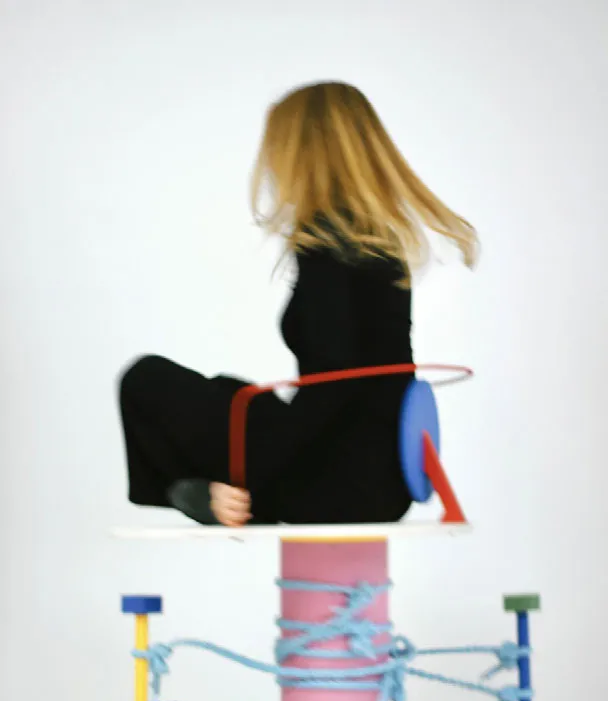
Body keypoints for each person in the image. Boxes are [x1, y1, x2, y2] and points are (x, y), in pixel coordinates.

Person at [118, 81, 477, 527]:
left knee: (146, 379)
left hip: (335, 485)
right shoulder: (377, 243)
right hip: (379, 483)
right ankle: (205, 490)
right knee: (230, 391)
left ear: (302, 153)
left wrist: (257, 474)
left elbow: (331, 386)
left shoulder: (329, 243)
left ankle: (197, 495)